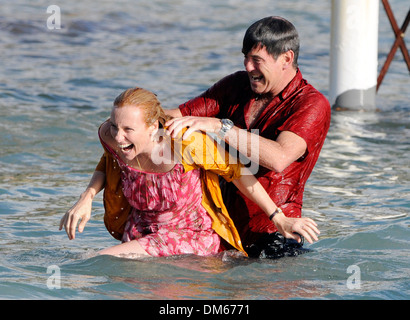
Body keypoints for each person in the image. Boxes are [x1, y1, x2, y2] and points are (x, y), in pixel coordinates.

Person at [60, 87, 320, 258]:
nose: (119, 136)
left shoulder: (185, 144)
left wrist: (279, 218)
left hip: (189, 238)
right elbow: (108, 161)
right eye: (115, 125)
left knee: (97, 261)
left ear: (152, 127)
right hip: (139, 232)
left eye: (128, 129)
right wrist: (86, 198)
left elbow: (238, 172)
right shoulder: (111, 137)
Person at [164, 16, 331, 258]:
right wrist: (133, 113)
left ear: (287, 58)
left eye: (257, 60)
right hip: (219, 228)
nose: (248, 67)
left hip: (275, 232)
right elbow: (178, 116)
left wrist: (221, 127)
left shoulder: (311, 104)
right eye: (246, 58)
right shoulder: (236, 86)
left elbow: (279, 157)